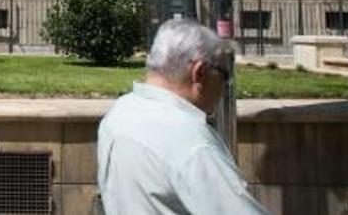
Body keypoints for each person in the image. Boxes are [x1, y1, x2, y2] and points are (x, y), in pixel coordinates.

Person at [97, 19, 268, 214]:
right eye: (225, 74)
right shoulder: (191, 142)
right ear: (200, 72)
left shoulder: (120, 112)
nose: (224, 85)